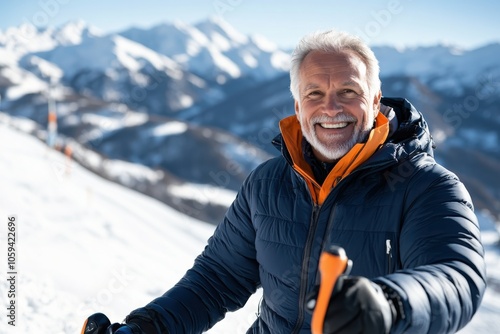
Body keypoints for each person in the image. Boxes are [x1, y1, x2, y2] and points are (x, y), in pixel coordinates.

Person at [86, 29, 486, 333]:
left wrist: (390, 304)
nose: (331, 108)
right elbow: (217, 279)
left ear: (376, 100)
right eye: (315, 93)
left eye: (348, 91)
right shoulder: (268, 183)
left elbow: (457, 277)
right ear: (298, 105)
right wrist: (149, 327)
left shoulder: (427, 187)